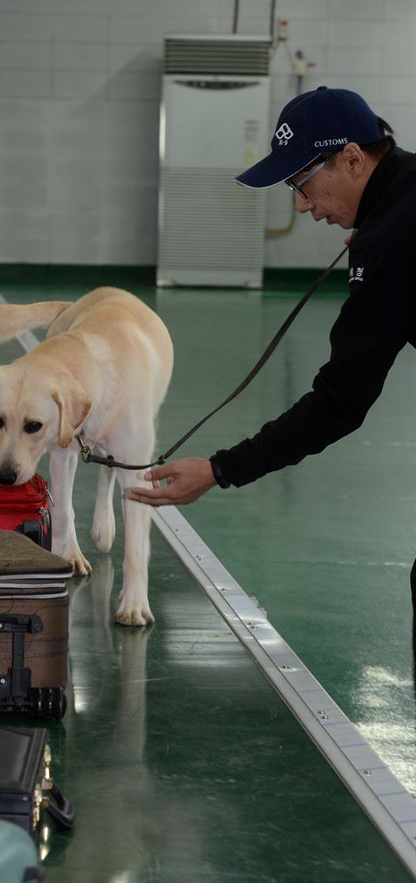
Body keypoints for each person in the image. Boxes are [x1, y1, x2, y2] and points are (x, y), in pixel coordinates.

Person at [127, 85, 416, 636]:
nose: (303, 207)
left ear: (353, 158)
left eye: (303, 185)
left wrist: (219, 469)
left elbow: (341, 401)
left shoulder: (392, 239)